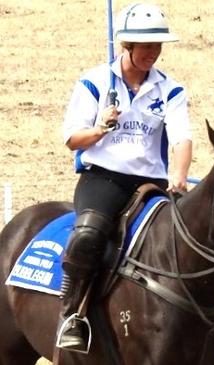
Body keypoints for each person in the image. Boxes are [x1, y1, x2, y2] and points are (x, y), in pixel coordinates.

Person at [56, 3, 192, 352]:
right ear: (126, 45)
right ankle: (73, 316)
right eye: (146, 46)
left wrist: (178, 176)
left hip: (150, 185)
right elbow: (72, 138)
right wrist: (100, 127)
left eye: (158, 46)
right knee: (87, 236)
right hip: (102, 179)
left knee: (192, 236)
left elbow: (181, 139)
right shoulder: (94, 81)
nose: (153, 53)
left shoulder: (171, 90)